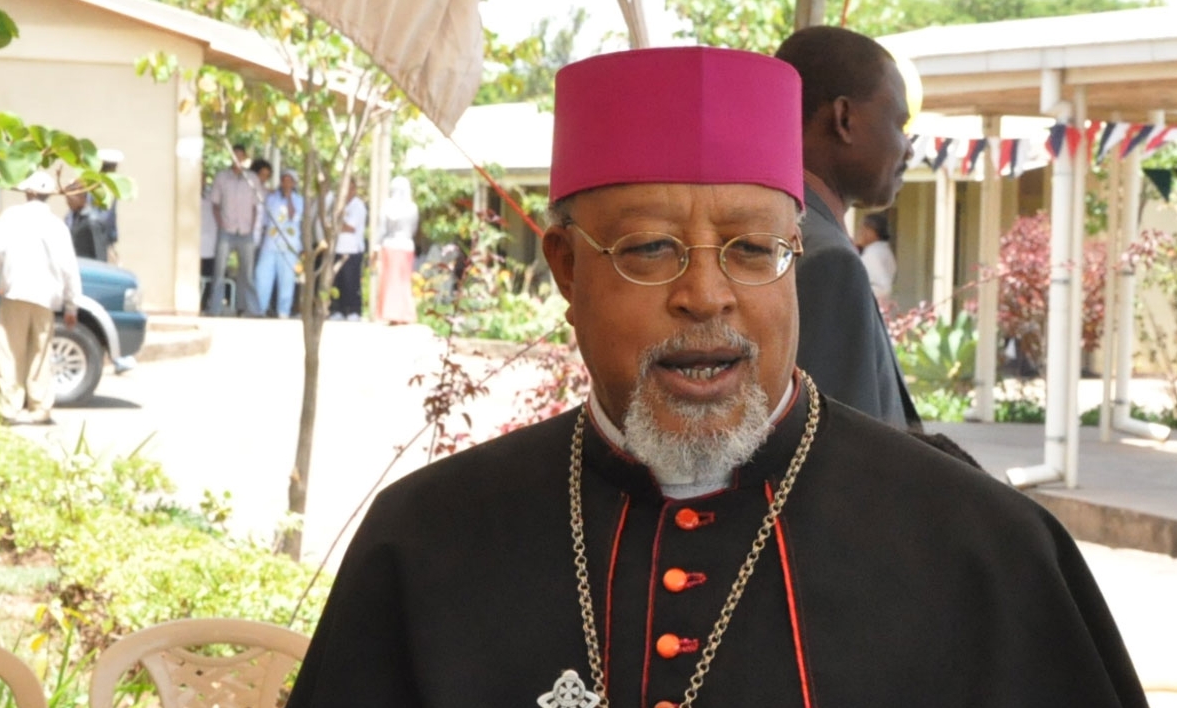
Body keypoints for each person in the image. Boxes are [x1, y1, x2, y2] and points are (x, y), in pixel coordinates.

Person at [287, 47, 1146, 708]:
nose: (706, 296)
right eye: (650, 248)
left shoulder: (984, 552)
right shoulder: (428, 539)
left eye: (754, 249)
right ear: (565, 269)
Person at [775, 26, 920, 430]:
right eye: (899, 122)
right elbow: (841, 462)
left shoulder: (775, 230)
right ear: (843, 118)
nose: (909, 148)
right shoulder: (826, 260)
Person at [0, 171, 80, 424]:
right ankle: (39, 407)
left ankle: (10, 407)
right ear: (47, 195)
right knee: (40, 352)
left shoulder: (12, 217)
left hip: (15, 293)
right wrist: (71, 305)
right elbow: (69, 267)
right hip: (45, 299)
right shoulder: (57, 225)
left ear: (29, 192)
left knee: (11, 352)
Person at [205, 145, 263, 317]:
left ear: (245, 158)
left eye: (240, 156)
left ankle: (250, 309)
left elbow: (256, 205)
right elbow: (215, 204)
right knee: (219, 270)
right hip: (227, 230)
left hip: (246, 231)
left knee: (247, 273)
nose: (237, 159)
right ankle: (215, 309)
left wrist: (252, 226)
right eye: (234, 155)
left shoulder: (252, 178)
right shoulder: (222, 178)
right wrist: (221, 223)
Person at [255, 168, 303, 318]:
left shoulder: (299, 200)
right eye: (284, 180)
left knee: (286, 279)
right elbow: (263, 219)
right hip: (270, 243)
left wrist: (289, 198)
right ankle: (260, 309)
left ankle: (283, 311)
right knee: (262, 276)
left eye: (290, 181)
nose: (286, 183)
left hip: (289, 246)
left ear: (294, 183)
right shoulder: (271, 198)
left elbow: (293, 216)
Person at [375, 175, 418, 324]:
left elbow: (382, 229)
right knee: (403, 281)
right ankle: (404, 314)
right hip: (406, 246)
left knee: (390, 280)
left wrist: (376, 245)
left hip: (391, 245)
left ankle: (392, 314)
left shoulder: (387, 206)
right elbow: (413, 228)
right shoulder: (412, 207)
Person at [329, 179, 366, 322]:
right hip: (337, 248)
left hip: (352, 249)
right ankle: (338, 310)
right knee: (337, 281)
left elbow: (350, 227)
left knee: (352, 282)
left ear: (355, 189)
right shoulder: (336, 204)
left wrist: (336, 223)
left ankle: (353, 310)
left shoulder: (358, 206)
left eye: (351, 188)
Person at [857, 212, 897, 306]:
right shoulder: (884, 251)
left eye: (863, 229)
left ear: (872, 231)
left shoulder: (872, 254)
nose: (860, 233)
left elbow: (883, 287)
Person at [64, 183, 110, 261]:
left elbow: (100, 255)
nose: (68, 203)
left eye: (70, 199)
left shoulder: (92, 222)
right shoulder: (74, 219)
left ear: (80, 196)